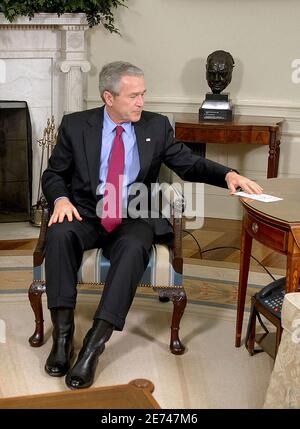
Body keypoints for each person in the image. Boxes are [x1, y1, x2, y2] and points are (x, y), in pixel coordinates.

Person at [42, 61, 262, 390]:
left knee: (134, 247)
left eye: (143, 94)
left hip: (134, 213)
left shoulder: (156, 127)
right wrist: (60, 200)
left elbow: (189, 164)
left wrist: (227, 174)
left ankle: (93, 345)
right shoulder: (76, 126)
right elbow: (53, 174)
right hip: (86, 212)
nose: (141, 102)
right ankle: (62, 338)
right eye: (133, 96)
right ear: (108, 97)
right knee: (58, 234)